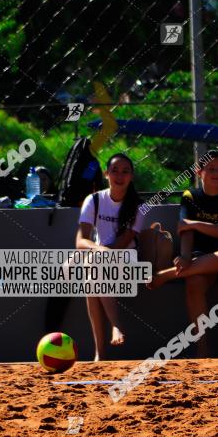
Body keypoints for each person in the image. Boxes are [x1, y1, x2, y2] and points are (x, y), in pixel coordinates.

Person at [147, 150, 218, 356]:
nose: (216, 173)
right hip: (203, 261)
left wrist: (195, 223)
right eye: (211, 169)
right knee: (193, 282)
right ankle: (202, 350)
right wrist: (185, 256)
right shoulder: (190, 196)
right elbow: (184, 230)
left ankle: (166, 275)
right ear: (199, 172)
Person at [75, 153, 146, 360]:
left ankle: (111, 333)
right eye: (114, 170)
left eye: (125, 171)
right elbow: (81, 241)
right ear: (106, 174)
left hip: (129, 263)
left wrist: (102, 252)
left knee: (93, 270)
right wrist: (99, 250)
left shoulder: (138, 206)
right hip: (99, 261)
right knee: (92, 276)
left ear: (131, 176)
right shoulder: (94, 199)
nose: (119, 176)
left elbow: (123, 244)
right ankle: (101, 351)